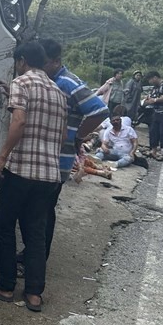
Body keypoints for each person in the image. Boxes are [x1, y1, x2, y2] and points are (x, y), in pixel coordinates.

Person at [0, 41, 66, 312]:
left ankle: (4, 286)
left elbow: (19, 122)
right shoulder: (58, 91)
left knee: (5, 226)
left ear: (22, 61)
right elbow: (62, 136)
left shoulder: (22, 82)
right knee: (36, 233)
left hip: (21, 172)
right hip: (49, 174)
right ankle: (34, 294)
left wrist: (2, 156)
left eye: (17, 62)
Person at [33, 38, 108, 257]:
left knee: (42, 211)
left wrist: (80, 136)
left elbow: (99, 110)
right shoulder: (51, 80)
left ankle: (36, 257)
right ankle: (34, 254)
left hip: (59, 159)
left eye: (43, 63)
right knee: (38, 211)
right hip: (49, 157)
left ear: (55, 61)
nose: (40, 68)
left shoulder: (67, 82)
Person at [144, 71, 163, 161]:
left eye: (150, 79)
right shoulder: (154, 88)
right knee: (153, 131)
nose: (150, 82)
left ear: (155, 77)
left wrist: (155, 100)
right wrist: (148, 100)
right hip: (156, 112)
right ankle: (153, 151)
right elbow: (150, 98)